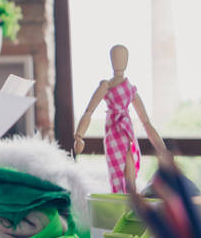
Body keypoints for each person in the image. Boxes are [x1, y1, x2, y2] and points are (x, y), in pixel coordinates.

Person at [72, 44, 168, 194]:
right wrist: (79, 136)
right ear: (111, 60)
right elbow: (89, 111)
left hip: (127, 130)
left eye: (123, 57)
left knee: (130, 162)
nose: (119, 61)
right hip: (113, 130)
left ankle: (132, 198)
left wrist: (162, 148)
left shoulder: (130, 89)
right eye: (116, 57)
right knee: (116, 169)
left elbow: (146, 122)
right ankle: (120, 197)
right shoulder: (106, 86)